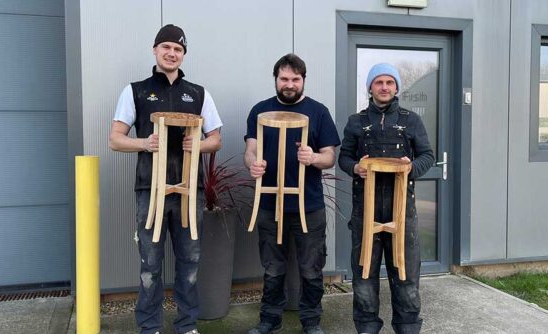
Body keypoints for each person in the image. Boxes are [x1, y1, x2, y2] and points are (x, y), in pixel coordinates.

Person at [108, 24, 223, 334]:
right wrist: (145, 142)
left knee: (190, 263)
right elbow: (115, 139)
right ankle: (150, 327)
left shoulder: (198, 93)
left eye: (178, 49)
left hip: (191, 192)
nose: (172, 53)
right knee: (150, 265)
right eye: (167, 48)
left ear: (183, 55)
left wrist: (198, 143)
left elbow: (216, 139)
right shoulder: (136, 90)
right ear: (155, 50)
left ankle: (187, 325)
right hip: (150, 189)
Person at [244, 53, 341, 334]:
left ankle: (311, 321)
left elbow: (330, 157)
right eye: (284, 78)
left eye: (295, 79)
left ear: (303, 81)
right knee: (272, 268)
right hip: (268, 203)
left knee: (312, 268)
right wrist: (253, 165)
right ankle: (269, 320)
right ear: (276, 79)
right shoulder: (260, 110)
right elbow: (250, 150)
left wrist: (313, 157)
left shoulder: (319, 112)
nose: (289, 84)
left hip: (308, 205)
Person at [338, 63, 434, 334]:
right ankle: (367, 328)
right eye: (378, 82)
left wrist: (411, 167)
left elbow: (427, 155)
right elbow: (344, 157)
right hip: (365, 212)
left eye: (389, 82)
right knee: (364, 275)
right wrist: (355, 167)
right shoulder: (356, 122)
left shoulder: (411, 120)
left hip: (403, 212)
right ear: (370, 87)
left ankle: (408, 328)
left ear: (396, 88)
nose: (384, 87)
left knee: (405, 277)